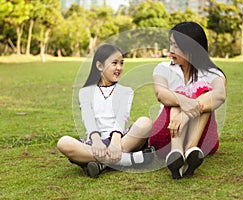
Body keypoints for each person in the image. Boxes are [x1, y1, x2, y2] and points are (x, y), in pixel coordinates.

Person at [57, 44, 153, 178]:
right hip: (94, 143)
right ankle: (128, 160)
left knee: (146, 122)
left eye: (121, 63)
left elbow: (122, 117)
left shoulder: (126, 91)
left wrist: (115, 142)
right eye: (114, 63)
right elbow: (88, 118)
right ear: (100, 66)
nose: (119, 68)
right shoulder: (85, 92)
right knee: (63, 142)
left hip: (120, 141)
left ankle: (100, 163)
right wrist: (96, 140)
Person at [149, 22, 226, 179]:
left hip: (203, 141)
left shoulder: (212, 73)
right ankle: (176, 151)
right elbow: (161, 94)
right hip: (167, 134)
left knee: (204, 91)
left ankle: (191, 149)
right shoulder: (163, 68)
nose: (171, 51)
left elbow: (220, 95)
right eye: (171, 44)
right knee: (179, 94)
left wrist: (185, 114)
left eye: (177, 46)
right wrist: (183, 101)